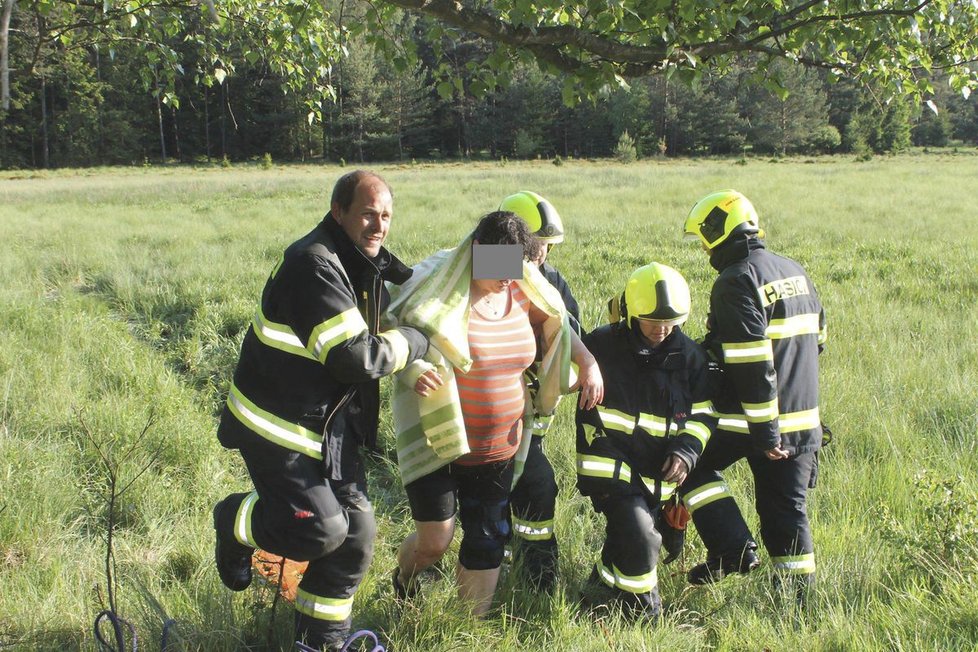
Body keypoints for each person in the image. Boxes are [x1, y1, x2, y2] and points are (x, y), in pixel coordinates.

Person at [211, 170, 430, 650]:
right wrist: (417, 342)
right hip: (277, 427)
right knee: (320, 530)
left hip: (328, 429)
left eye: (387, 216)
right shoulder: (313, 264)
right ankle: (234, 519)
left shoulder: (362, 264)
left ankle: (320, 641)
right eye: (368, 213)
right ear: (339, 212)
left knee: (356, 535)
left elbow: (459, 270)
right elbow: (353, 357)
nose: (379, 225)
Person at [386, 211, 604, 616]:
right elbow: (394, 326)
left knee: (487, 537)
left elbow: (557, 325)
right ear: (475, 251)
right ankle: (404, 580)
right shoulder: (437, 283)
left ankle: (467, 629)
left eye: (515, 264)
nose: (507, 277)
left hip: (501, 444)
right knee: (436, 540)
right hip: (440, 442)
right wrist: (414, 369)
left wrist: (587, 362)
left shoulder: (522, 288)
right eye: (498, 265)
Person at [678, 189, 826, 602]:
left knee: (682, 461)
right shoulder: (794, 270)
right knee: (787, 513)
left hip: (757, 422)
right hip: (803, 421)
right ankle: (798, 602)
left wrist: (766, 435)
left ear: (720, 231)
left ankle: (731, 548)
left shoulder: (736, 280)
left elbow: (752, 365)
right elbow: (818, 342)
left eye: (706, 237)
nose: (705, 247)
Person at [575, 262, 717, 619]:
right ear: (630, 313)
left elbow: (703, 414)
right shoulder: (601, 346)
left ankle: (601, 587)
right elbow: (561, 358)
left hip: (659, 473)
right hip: (609, 464)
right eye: (652, 320)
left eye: (670, 321)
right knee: (642, 535)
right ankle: (645, 613)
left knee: (628, 537)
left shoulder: (690, 357)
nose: (662, 329)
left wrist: (686, 452)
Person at [498, 190, 582, 593]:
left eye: (548, 246)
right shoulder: (489, 268)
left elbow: (573, 333)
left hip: (533, 413)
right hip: (495, 407)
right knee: (533, 484)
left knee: (525, 480)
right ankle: (535, 571)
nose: (544, 254)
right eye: (538, 245)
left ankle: (524, 569)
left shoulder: (551, 280)